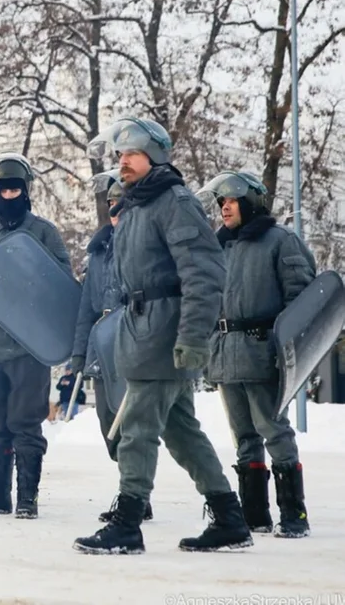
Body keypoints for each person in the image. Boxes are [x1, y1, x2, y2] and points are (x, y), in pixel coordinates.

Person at [73, 117, 252, 554]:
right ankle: (229, 518)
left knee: (136, 426)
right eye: (120, 155)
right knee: (181, 430)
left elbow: (204, 273)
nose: (123, 163)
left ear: (153, 156)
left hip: (165, 331)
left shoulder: (175, 201)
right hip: (142, 328)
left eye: (130, 155)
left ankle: (128, 524)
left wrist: (192, 337)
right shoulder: (137, 206)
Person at [197, 170, 313, 538]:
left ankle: (293, 514)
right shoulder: (218, 247)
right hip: (225, 353)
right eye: (221, 203)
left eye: (230, 201)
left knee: (272, 429)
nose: (224, 208)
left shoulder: (280, 241)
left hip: (263, 352)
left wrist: (287, 349)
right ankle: (254, 514)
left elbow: (302, 298)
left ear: (249, 203)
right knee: (244, 436)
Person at [0, 153, 72, 520]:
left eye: (15, 187)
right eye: (2, 188)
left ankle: (27, 496)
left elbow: (62, 287)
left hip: (28, 344)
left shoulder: (43, 234)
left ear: (25, 190)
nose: (9, 194)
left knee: (25, 421)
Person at [70, 171, 155, 522]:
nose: (115, 208)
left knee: (132, 422)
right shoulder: (98, 251)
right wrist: (78, 355)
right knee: (109, 424)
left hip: (133, 340)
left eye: (121, 201)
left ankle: (135, 496)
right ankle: (131, 487)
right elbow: (86, 310)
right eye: (110, 203)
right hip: (100, 348)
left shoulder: (146, 246)